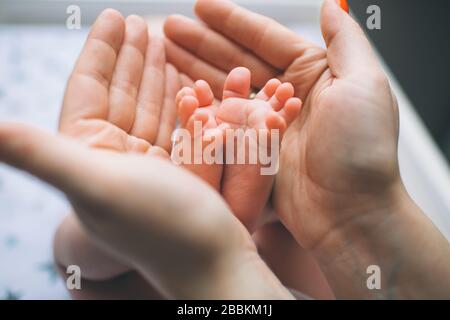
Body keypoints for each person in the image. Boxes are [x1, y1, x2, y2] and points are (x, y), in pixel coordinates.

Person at [0, 0, 449, 299]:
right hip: (200, 269)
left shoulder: (293, 228)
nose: (212, 115)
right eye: (194, 124)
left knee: (84, 255)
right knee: (86, 247)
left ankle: (183, 214)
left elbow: (73, 263)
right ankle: (164, 213)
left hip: (214, 276)